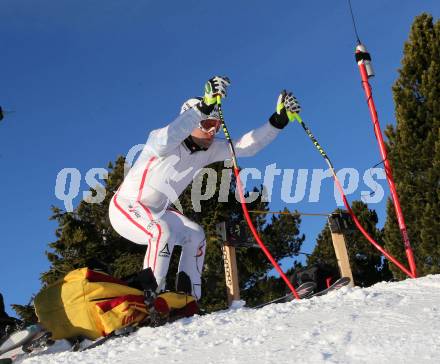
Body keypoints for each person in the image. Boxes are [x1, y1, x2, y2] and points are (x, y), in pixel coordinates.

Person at [108, 76, 300, 300]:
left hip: (157, 212)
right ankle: (150, 298)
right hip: (126, 207)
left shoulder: (208, 150)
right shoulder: (162, 142)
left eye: (216, 126)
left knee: (196, 235)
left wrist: (277, 121)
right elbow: (171, 133)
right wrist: (204, 107)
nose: (212, 132)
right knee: (161, 230)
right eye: (208, 124)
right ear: (191, 122)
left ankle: (188, 299)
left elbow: (245, 147)